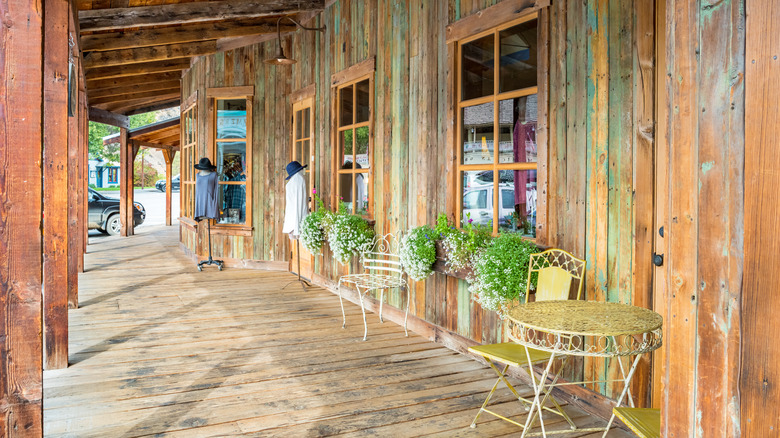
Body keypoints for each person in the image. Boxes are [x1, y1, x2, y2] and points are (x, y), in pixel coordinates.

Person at [282, 161, 308, 239]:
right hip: (296, 216)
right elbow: (298, 203)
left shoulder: (293, 182)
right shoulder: (299, 180)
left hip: (292, 217)